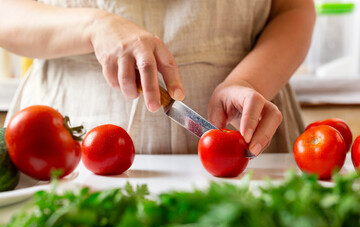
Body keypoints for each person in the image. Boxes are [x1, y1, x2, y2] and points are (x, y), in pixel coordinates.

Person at [0, 0, 315, 155]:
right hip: (63, 143)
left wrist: (249, 82)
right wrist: (92, 27)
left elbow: (292, 9)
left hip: (248, 129)